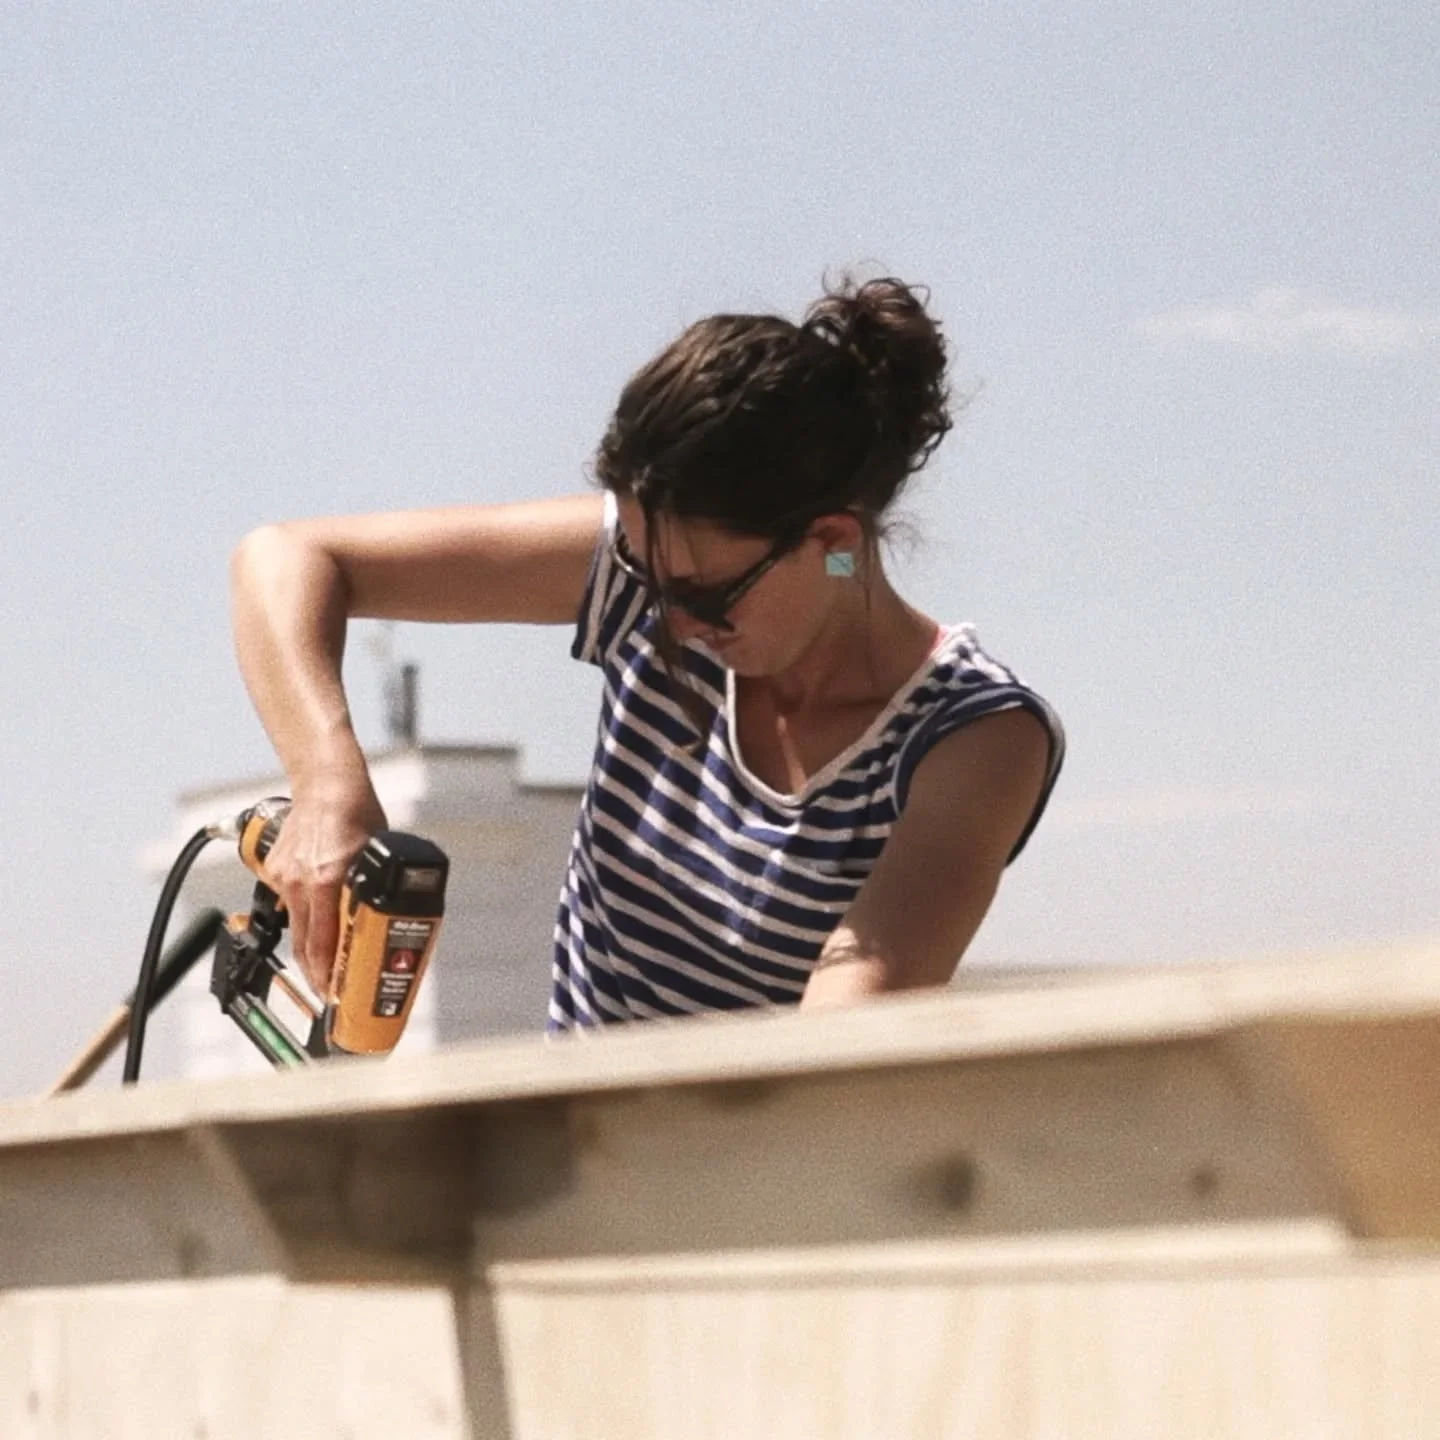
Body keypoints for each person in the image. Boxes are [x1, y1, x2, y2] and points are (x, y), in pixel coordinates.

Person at [230, 274, 1064, 1031]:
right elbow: (282, 559)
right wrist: (328, 782)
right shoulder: (658, 581)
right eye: (637, 568)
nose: (664, 617)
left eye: (702, 595)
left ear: (833, 540)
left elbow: (838, 1041)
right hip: (576, 1155)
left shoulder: (976, 739)